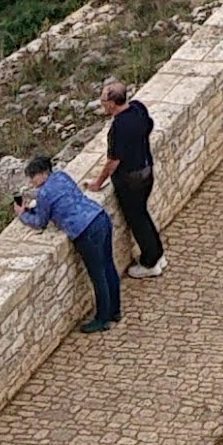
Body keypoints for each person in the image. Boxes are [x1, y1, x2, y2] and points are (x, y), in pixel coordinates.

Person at [19, 150, 121, 331]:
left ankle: (102, 319)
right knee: (108, 265)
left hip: (85, 230)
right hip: (99, 216)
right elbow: (60, 199)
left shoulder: (44, 193)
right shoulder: (62, 176)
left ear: (43, 173)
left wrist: (23, 214)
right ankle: (115, 310)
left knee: (98, 274)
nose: (31, 181)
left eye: (33, 176)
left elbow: (40, 222)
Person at [104, 80, 164, 268]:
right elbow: (149, 126)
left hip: (131, 181)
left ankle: (150, 262)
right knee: (143, 215)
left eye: (103, 100)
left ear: (112, 103)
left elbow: (113, 162)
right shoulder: (138, 108)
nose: (102, 103)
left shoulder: (118, 127)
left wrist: (97, 183)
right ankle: (158, 253)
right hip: (147, 172)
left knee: (137, 220)